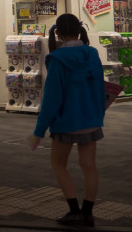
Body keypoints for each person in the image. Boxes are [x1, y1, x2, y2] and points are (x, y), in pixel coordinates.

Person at [31, 14, 105, 227]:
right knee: (89, 166)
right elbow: (100, 88)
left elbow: (52, 100)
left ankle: (74, 211)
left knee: (58, 163)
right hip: (91, 120)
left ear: (58, 33)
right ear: (79, 30)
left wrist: (39, 131)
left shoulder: (57, 59)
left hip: (66, 122)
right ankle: (88, 213)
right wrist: (98, 114)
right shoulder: (92, 54)